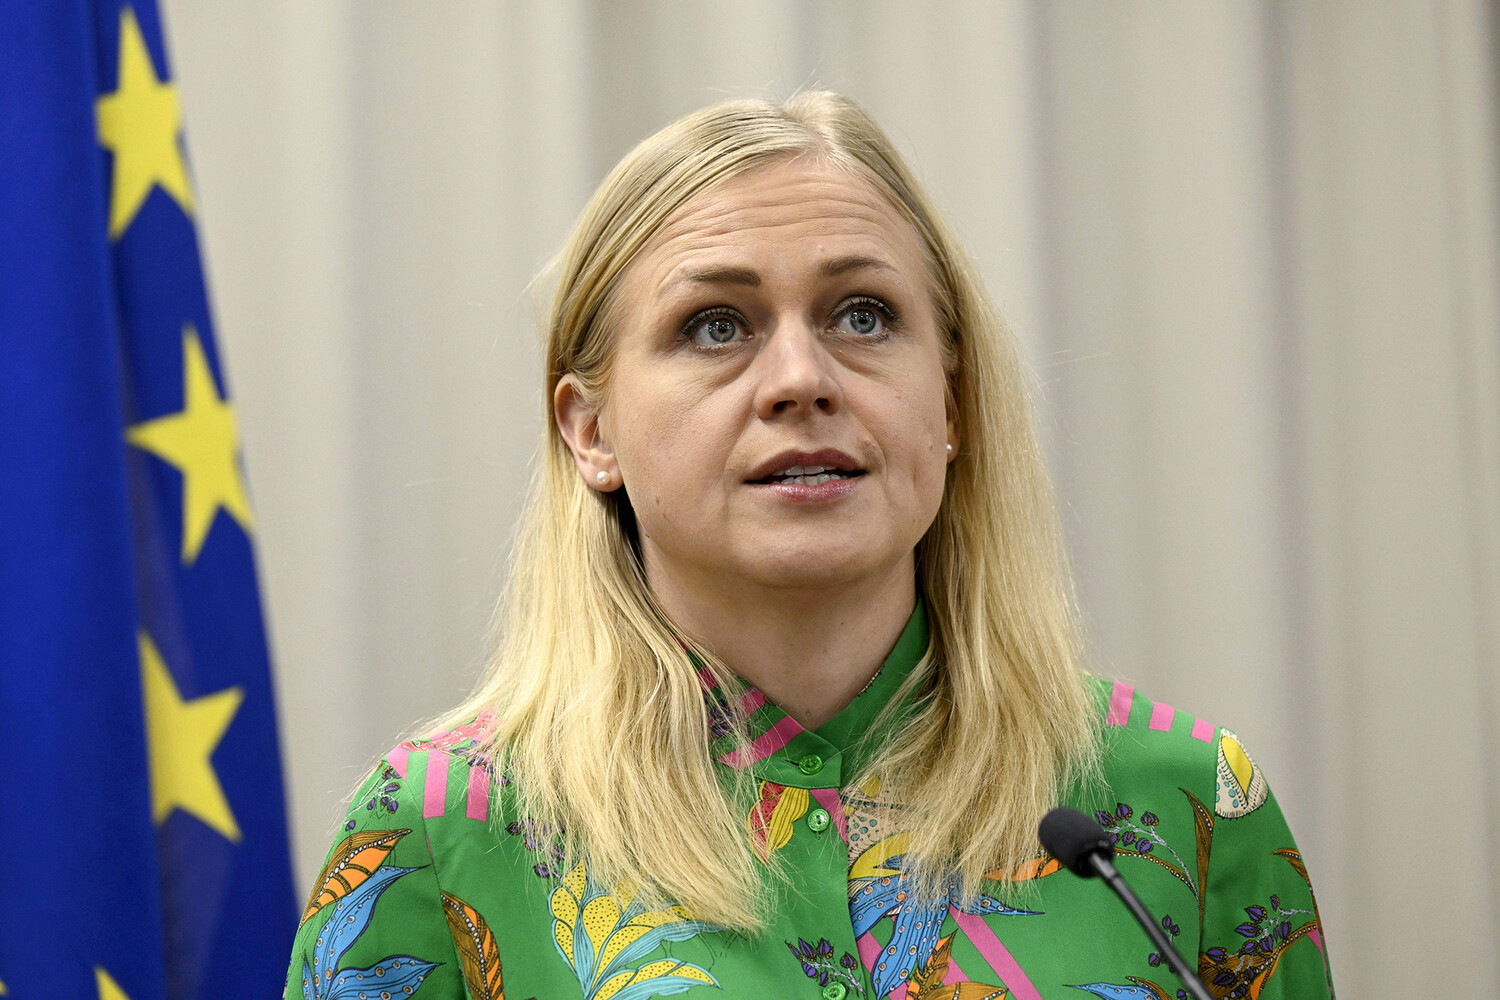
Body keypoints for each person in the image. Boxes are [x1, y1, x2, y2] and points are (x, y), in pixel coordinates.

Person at [286, 93, 1334, 1000]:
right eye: (715, 325)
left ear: (952, 403)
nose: (801, 379)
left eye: (863, 316)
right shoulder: (443, 829)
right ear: (591, 431)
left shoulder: (1190, 801)